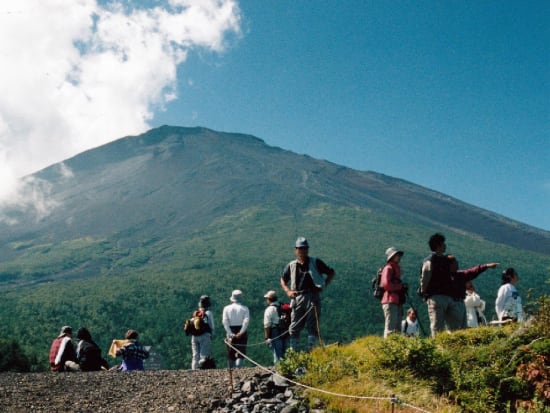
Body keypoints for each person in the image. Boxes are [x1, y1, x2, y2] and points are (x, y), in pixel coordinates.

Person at [280, 236, 335, 352]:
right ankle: (293, 352)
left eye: (304, 248)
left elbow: (331, 273)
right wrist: (288, 291)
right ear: (296, 250)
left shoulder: (315, 262)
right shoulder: (291, 265)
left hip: (312, 296)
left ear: (307, 249)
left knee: (312, 325)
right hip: (297, 297)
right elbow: (283, 279)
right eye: (300, 249)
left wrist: (323, 285)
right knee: (294, 325)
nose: (302, 251)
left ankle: (310, 351)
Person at [420, 233, 460, 337]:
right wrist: (424, 291)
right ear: (438, 245)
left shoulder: (430, 260)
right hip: (440, 296)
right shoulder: (433, 260)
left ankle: (442, 345)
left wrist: (423, 292)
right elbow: (425, 278)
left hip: (439, 297)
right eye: (443, 244)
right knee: (446, 326)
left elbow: (424, 278)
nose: (445, 246)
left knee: (438, 325)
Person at [449, 255, 498, 329]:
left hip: (469, 319)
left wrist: (486, 266)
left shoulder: (459, 275)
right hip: (458, 312)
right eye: (455, 262)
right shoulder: (447, 278)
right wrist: (474, 294)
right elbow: (475, 301)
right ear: (450, 264)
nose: (457, 263)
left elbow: (482, 305)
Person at [380, 247, 406, 338]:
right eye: (396, 255)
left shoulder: (394, 268)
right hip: (390, 300)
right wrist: (400, 287)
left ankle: (395, 347)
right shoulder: (388, 268)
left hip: (396, 301)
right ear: (392, 257)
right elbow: (386, 285)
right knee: (390, 328)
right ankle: (388, 348)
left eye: (399, 255)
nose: (399, 257)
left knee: (397, 327)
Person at [222, 290, 250, 368]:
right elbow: (246, 322)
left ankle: (230, 369)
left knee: (230, 352)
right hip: (241, 330)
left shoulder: (226, 308)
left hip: (230, 330)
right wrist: (241, 332)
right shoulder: (245, 309)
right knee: (241, 352)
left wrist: (230, 333)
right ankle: (239, 369)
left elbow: (225, 321)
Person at [263, 290, 288, 364]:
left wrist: (267, 337)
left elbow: (267, 325)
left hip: (275, 331)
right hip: (285, 331)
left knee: (277, 353)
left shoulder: (269, 309)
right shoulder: (282, 306)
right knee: (284, 351)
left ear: (269, 299)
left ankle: (278, 369)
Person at [191, 295, 215, 370]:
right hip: (205, 335)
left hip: (194, 336)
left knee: (195, 355)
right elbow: (212, 326)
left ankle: (194, 369)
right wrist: (212, 334)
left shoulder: (196, 313)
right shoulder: (208, 313)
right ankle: (203, 370)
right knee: (204, 354)